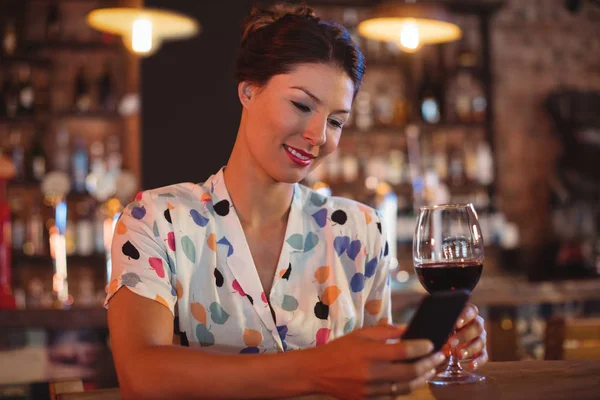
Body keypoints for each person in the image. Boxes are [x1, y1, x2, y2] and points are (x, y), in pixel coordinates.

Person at [105, 3, 487, 399]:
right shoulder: (155, 220)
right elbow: (142, 375)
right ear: (248, 90)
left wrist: (428, 355)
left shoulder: (360, 231)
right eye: (302, 105)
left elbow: (375, 381)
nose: (318, 135)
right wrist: (317, 371)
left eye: (336, 121)